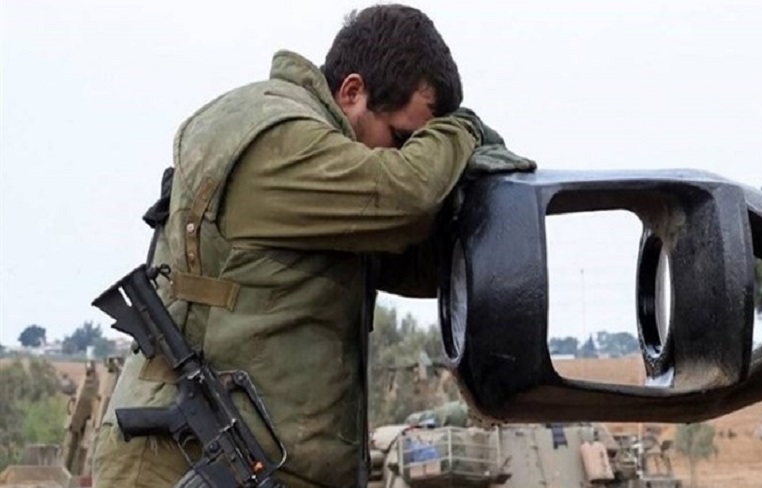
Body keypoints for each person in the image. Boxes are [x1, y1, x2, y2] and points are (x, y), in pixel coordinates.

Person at [91, 4, 535, 488]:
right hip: (179, 462)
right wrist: (462, 131)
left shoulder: (323, 182)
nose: (404, 153)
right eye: (402, 138)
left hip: (244, 465)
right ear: (352, 92)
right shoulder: (276, 137)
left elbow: (420, 264)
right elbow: (405, 195)